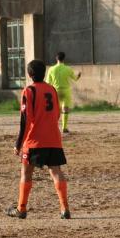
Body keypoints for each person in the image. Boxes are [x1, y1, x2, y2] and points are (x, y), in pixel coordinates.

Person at [6, 60, 71, 220]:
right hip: (54, 139)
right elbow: (57, 115)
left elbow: (25, 120)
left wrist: (18, 144)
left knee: (26, 173)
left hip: (34, 141)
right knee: (56, 171)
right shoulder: (52, 89)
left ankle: (21, 209)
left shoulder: (29, 90)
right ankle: (64, 209)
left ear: (29, 74)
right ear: (44, 73)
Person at [46, 52, 81, 134]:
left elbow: (48, 83)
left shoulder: (51, 69)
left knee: (56, 110)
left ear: (56, 58)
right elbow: (75, 78)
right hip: (66, 91)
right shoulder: (68, 69)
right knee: (65, 109)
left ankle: (54, 127)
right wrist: (79, 75)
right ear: (64, 59)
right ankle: (64, 127)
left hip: (56, 91)